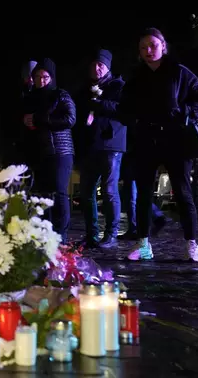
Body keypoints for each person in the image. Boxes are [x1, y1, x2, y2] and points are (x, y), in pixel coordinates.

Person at [119, 28, 198, 262]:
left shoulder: (180, 72)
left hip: (177, 140)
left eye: (153, 45)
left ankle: (192, 244)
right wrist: (133, 122)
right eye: (143, 47)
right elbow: (123, 106)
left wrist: (187, 114)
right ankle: (144, 244)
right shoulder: (135, 77)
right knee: (144, 194)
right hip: (147, 139)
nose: (148, 50)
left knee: (183, 192)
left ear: (163, 46)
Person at [75, 49, 126, 249]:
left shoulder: (119, 86)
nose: (97, 68)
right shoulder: (85, 89)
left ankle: (111, 234)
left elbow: (123, 109)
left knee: (109, 190)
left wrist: (98, 104)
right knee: (87, 192)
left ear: (108, 67)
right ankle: (91, 234)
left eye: (101, 65)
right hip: (90, 146)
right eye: (94, 64)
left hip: (111, 143)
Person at [23, 58, 76, 242]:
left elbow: (70, 119)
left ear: (51, 78)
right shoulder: (30, 98)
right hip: (39, 153)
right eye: (37, 76)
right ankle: (45, 234)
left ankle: (61, 235)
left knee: (59, 192)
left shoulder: (60, 95)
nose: (41, 80)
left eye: (45, 76)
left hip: (60, 151)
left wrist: (39, 119)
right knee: (42, 195)